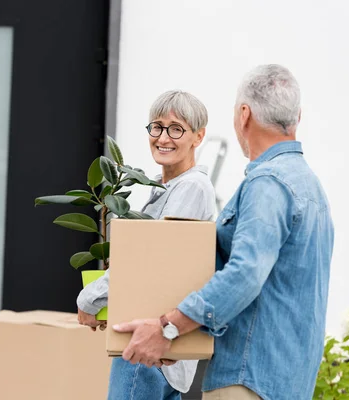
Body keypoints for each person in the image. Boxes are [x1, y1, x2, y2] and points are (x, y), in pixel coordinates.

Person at [113, 64, 335, 400]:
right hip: (287, 378)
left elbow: (245, 273)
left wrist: (167, 327)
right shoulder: (309, 185)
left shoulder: (268, 184)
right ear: (297, 116)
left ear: (244, 114)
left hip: (248, 378)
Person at [77, 90, 216, 400]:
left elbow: (150, 263)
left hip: (149, 349)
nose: (163, 137)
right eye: (157, 126)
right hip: (156, 351)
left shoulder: (191, 188)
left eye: (176, 128)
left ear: (198, 136)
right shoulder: (165, 187)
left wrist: (91, 298)